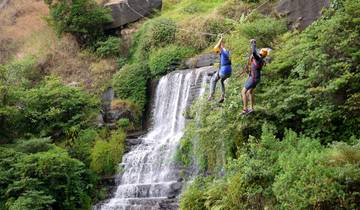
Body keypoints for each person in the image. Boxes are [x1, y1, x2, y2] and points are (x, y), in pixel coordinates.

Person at [241, 39, 268, 114]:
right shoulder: (261, 60)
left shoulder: (258, 58)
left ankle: (245, 109)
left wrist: (253, 43)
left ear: (261, 53)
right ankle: (251, 108)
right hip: (257, 78)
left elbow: (253, 52)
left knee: (243, 92)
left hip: (253, 78)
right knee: (250, 92)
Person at [208, 37, 232, 103]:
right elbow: (220, 48)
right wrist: (222, 41)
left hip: (223, 71)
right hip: (229, 72)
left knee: (213, 79)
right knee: (221, 81)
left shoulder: (222, 51)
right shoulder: (228, 52)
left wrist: (221, 38)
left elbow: (216, 47)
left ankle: (211, 96)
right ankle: (223, 96)